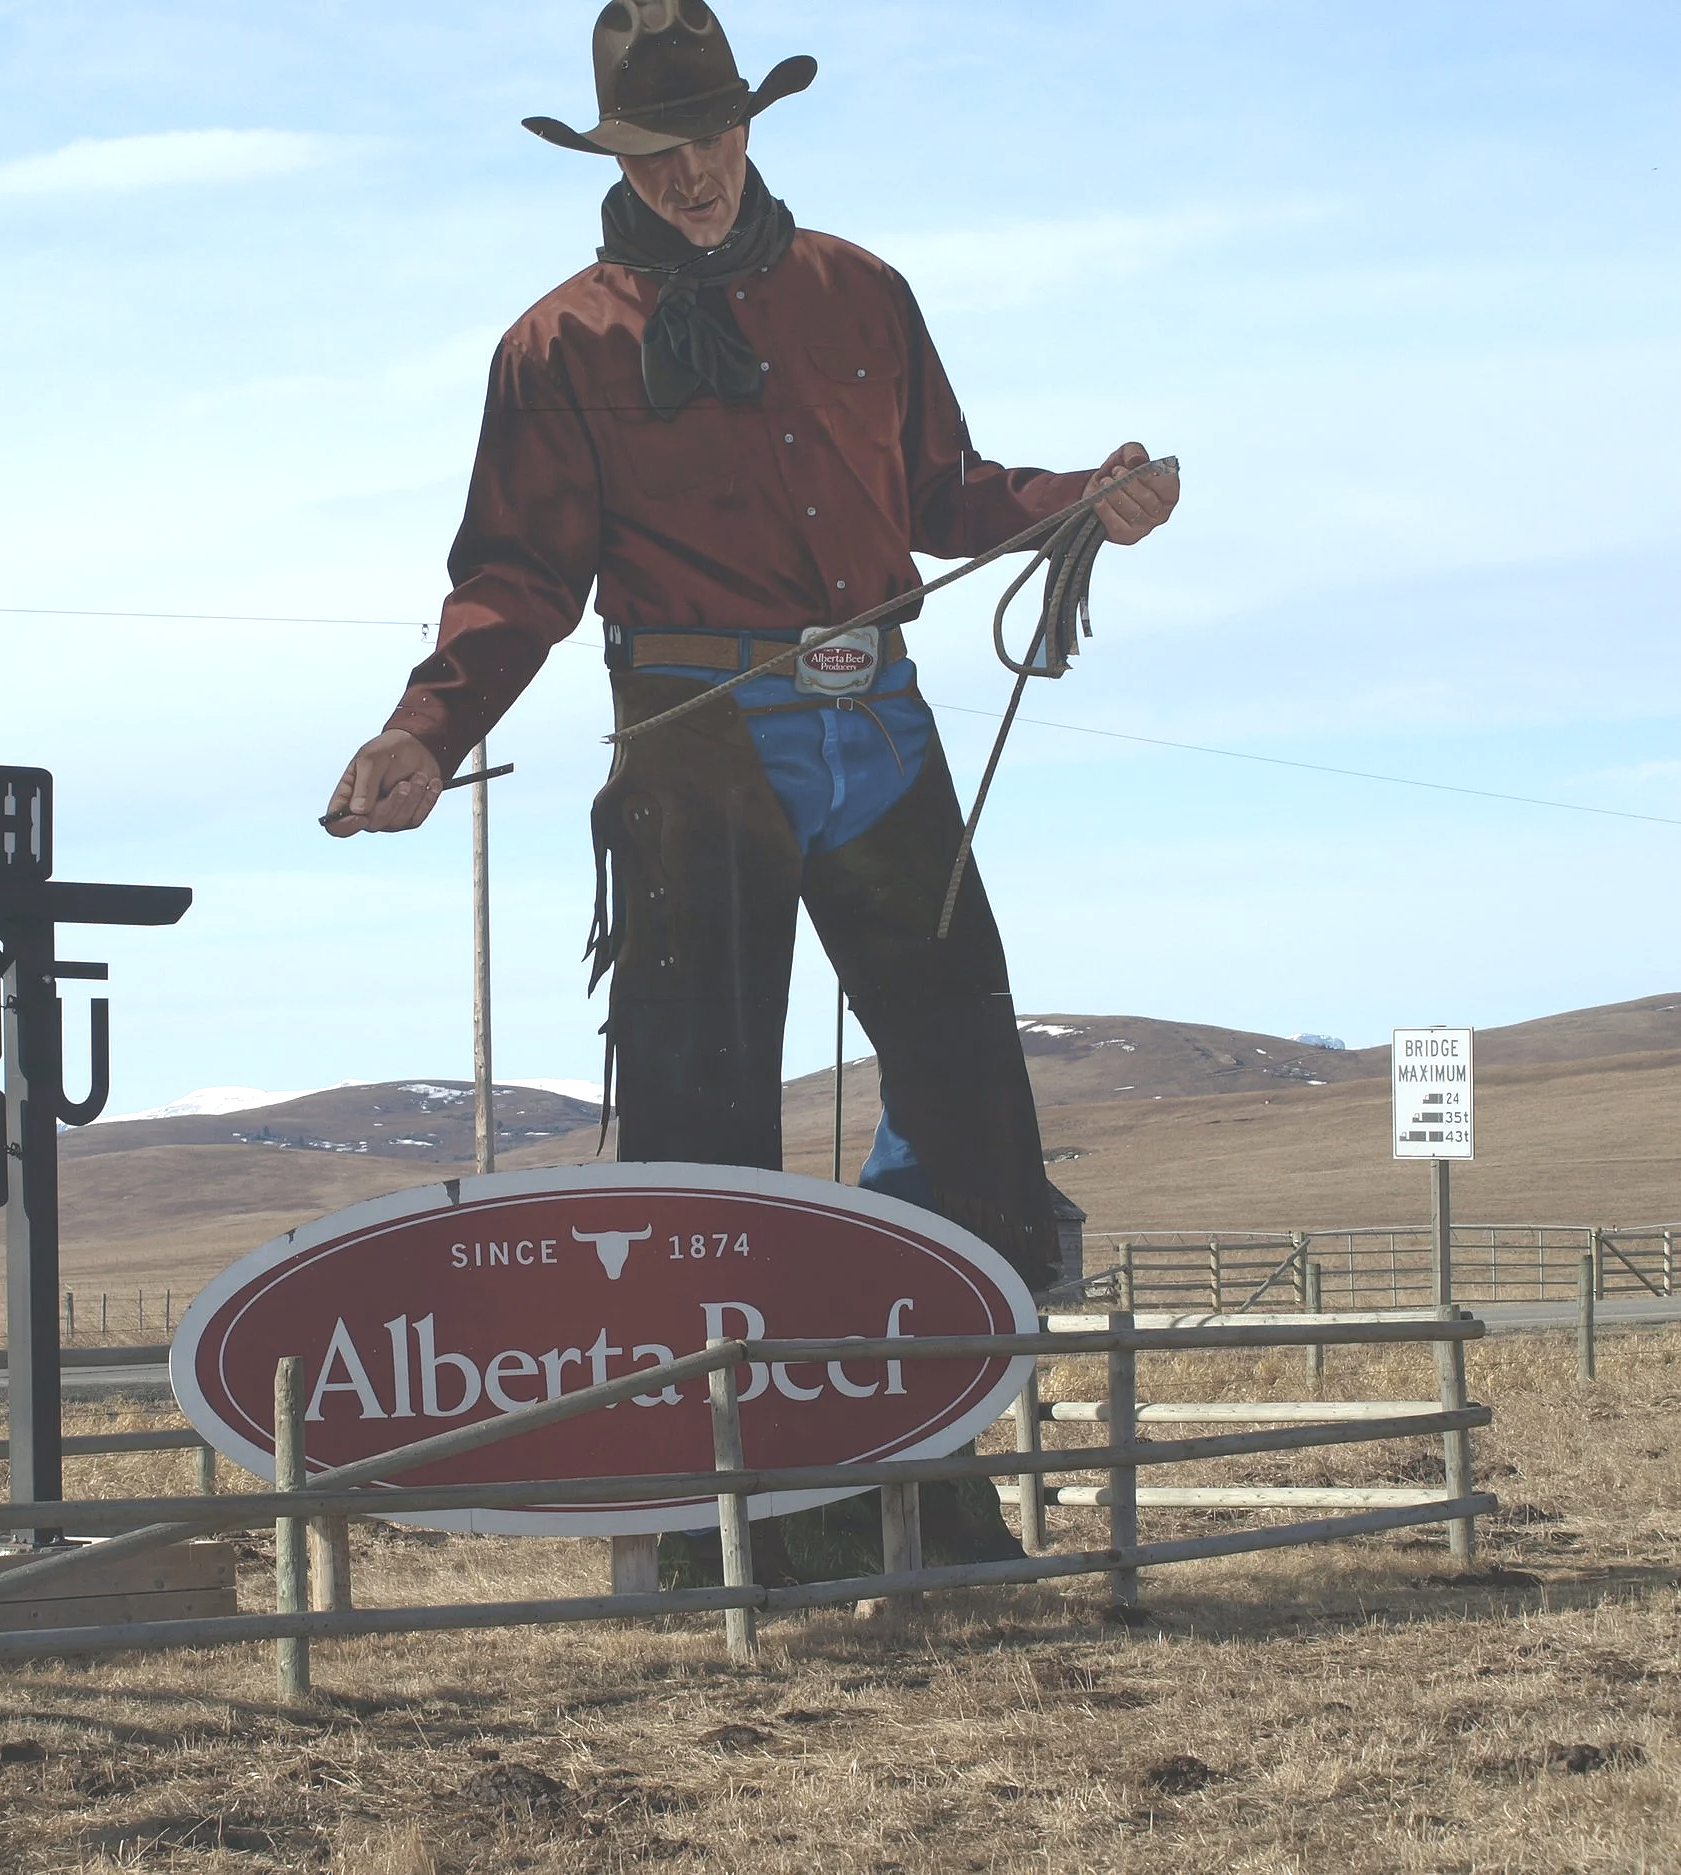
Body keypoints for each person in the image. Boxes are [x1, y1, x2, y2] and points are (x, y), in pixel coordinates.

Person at [325, 1, 1177, 1296]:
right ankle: (707, 1453)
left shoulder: (863, 292)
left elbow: (941, 494)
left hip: (879, 721)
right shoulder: (557, 349)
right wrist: (426, 731)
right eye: (655, 151)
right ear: (612, 160)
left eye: (709, 134)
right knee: (699, 1114)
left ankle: (927, 1414)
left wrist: (1080, 498)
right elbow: (517, 575)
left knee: (966, 1082)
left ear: (746, 123)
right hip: (696, 742)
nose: (692, 174)